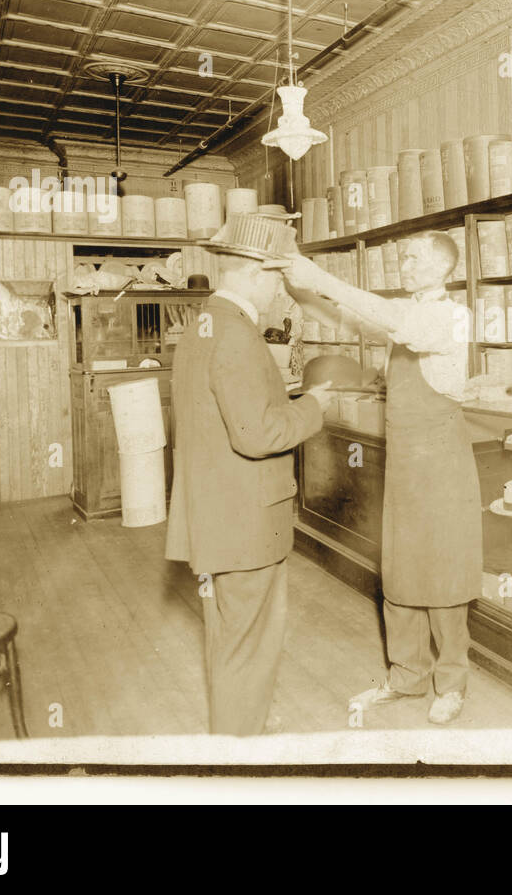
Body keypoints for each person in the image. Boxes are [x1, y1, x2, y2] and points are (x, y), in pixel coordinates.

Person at [284, 230, 482, 724]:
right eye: (404, 257)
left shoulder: (450, 316)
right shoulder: (409, 312)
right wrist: (300, 283)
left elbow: (406, 327)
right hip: (406, 463)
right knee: (400, 568)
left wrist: (322, 278)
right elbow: (355, 317)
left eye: (414, 258)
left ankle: (451, 684)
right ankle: (407, 677)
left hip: (441, 463)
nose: (405, 264)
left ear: (442, 267)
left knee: (444, 572)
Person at [165, 212, 334, 735]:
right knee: (249, 644)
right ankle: (240, 754)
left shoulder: (204, 323)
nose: (281, 292)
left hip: (215, 513)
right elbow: (257, 435)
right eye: (279, 279)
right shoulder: (237, 334)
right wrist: (315, 405)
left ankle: (238, 732)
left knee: (230, 639)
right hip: (244, 522)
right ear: (258, 272)